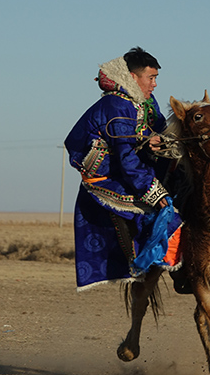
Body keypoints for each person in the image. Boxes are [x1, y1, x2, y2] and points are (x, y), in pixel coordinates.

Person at [65, 47, 182, 291]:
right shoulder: (116, 106)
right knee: (153, 209)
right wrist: (155, 192)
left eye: (156, 78)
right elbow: (126, 156)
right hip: (106, 177)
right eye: (151, 78)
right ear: (132, 77)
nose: (155, 84)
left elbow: (160, 132)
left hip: (136, 167)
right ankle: (143, 263)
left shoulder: (146, 102)